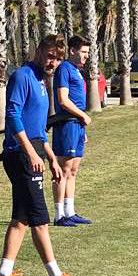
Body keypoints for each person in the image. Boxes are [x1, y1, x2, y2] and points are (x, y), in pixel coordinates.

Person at [0, 34, 88, 276]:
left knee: (21, 219)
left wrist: (49, 155)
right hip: (20, 154)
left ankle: (4, 273)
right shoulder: (23, 76)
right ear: (38, 51)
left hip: (34, 151)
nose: (53, 63)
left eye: (58, 59)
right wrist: (31, 153)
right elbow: (12, 116)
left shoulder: (41, 80)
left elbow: (37, 127)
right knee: (40, 218)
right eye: (49, 56)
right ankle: (56, 275)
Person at [51, 35, 93, 228]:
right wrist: (82, 115)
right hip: (67, 123)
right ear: (73, 51)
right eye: (83, 52)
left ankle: (70, 211)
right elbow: (63, 99)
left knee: (74, 170)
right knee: (64, 169)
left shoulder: (77, 71)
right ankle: (59, 214)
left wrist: (82, 124)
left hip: (77, 125)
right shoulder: (64, 69)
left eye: (88, 52)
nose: (86, 56)